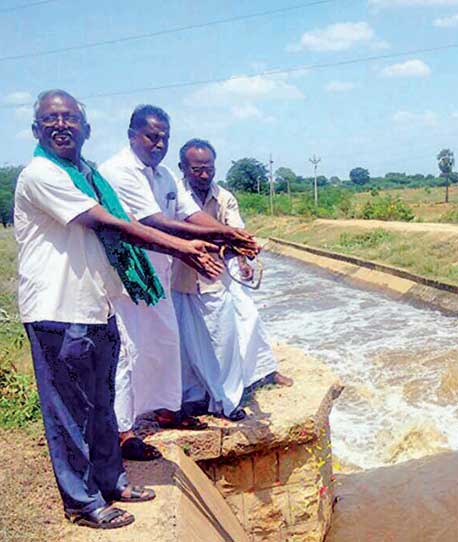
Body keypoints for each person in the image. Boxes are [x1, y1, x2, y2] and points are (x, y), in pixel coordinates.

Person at [15, 89, 223, 529]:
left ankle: (111, 480)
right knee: (68, 412)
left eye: (70, 118)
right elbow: (112, 224)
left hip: (97, 305)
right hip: (57, 309)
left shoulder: (86, 173)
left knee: (102, 405)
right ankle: (82, 501)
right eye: (51, 119)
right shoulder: (42, 174)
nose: (62, 125)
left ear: (86, 130)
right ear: (36, 130)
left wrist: (191, 243)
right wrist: (182, 246)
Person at [99, 105, 259, 460]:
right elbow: (155, 222)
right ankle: (124, 432)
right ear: (132, 135)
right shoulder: (118, 171)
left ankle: (166, 410)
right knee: (129, 351)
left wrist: (228, 233)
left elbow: (190, 214)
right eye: (151, 136)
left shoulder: (165, 175)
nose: (159, 144)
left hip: (159, 274)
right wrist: (213, 236)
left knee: (164, 342)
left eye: (164, 138)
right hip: (126, 275)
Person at [171, 139, 292, 421]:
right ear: (183, 168)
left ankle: (229, 400)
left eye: (208, 169)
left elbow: (235, 232)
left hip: (216, 277)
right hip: (181, 277)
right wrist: (225, 240)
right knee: (186, 343)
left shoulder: (224, 197)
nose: (203, 175)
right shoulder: (173, 194)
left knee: (225, 339)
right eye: (197, 169)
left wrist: (242, 256)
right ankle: (193, 397)